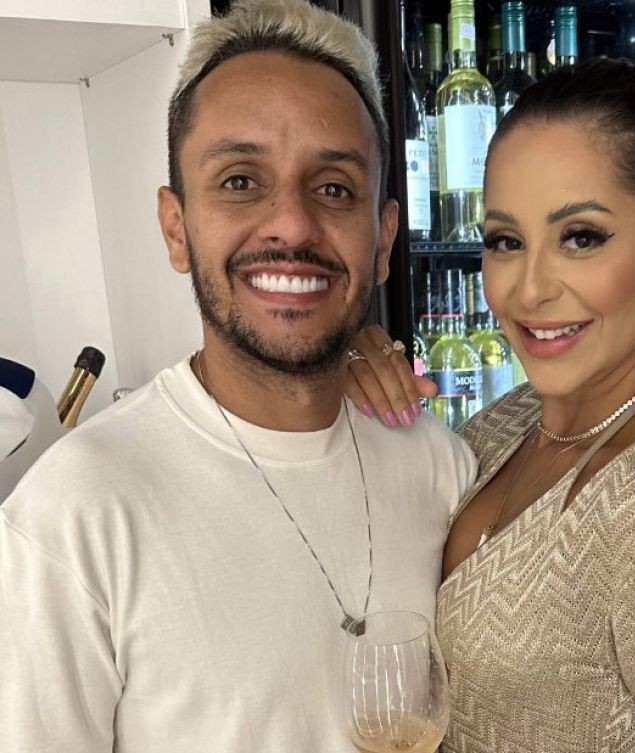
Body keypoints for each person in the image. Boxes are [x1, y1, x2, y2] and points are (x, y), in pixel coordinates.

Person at [0, 1, 476, 751]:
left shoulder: (438, 464)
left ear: (383, 240)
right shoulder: (72, 516)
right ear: (176, 227)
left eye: (334, 188)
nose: (292, 225)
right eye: (240, 180)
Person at [347, 58, 635, 752]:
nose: (528, 290)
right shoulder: (519, 415)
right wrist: (349, 368)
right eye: (506, 241)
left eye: (580, 237)